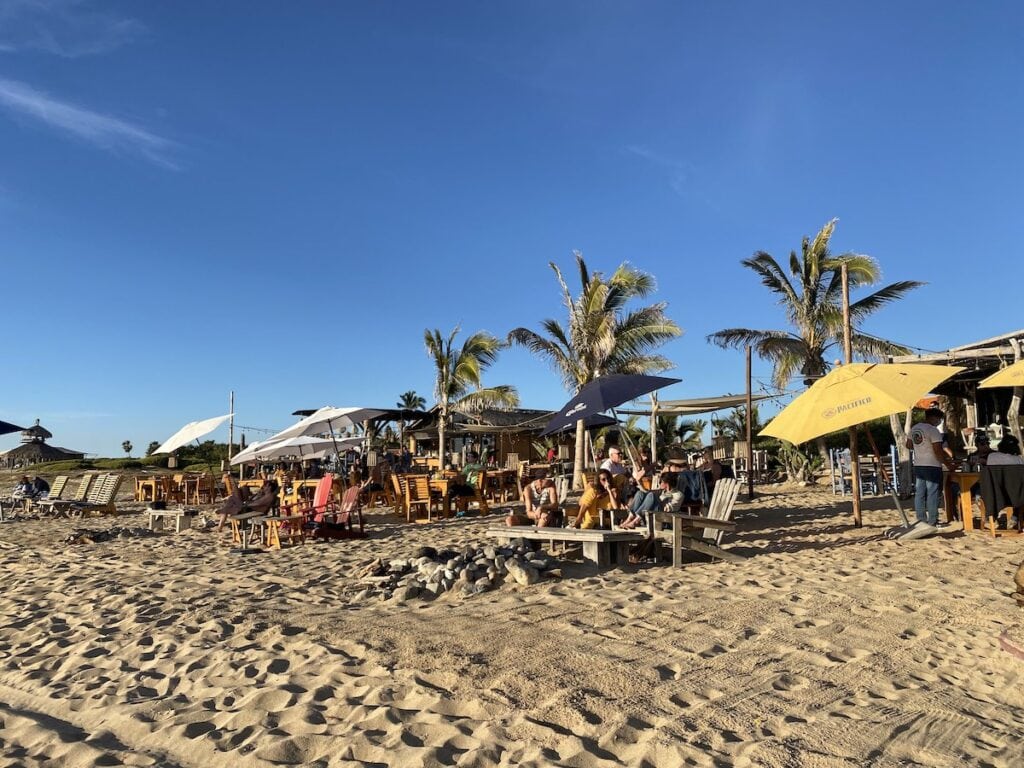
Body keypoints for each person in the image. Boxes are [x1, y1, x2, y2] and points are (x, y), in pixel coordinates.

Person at [908, 407, 955, 526]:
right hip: (932, 465)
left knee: (920, 493)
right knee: (933, 493)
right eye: (939, 419)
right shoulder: (933, 430)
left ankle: (921, 519)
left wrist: (920, 448)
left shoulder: (914, 428)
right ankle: (933, 520)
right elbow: (938, 451)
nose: (939, 422)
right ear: (934, 418)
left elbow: (908, 444)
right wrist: (947, 464)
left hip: (918, 464)